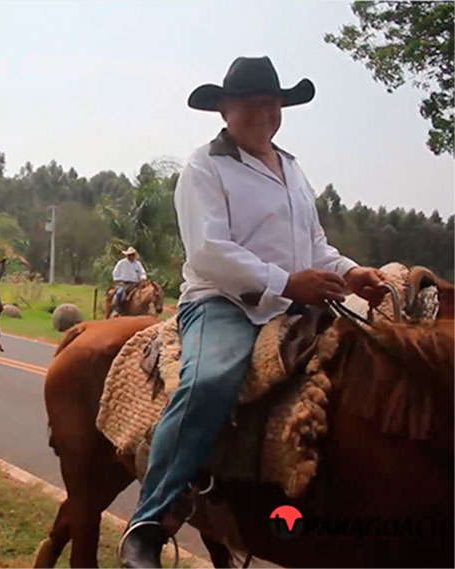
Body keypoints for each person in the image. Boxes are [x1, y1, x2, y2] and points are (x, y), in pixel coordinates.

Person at [118, 56, 387, 567]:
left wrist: (351, 273)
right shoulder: (205, 166)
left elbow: (313, 244)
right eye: (250, 104)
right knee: (210, 381)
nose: (264, 113)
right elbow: (210, 252)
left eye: (272, 104)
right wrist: (286, 282)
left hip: (297, 298)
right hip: (223, 302)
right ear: (224, 109)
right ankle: (149, 522)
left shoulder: (292, 168)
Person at [111, 246, 147, 313]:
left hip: (135, 284)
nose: (131, 256)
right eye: (129, 255)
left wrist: (143, 278)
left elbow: (142, 272)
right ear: (127, 255)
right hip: (123, 283)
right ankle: (118, 308)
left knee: (145, 294)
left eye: (132, 255)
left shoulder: (138, 264)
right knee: (120, 293)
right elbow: (115, 273)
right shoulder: (121, 263)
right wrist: (118, 280)